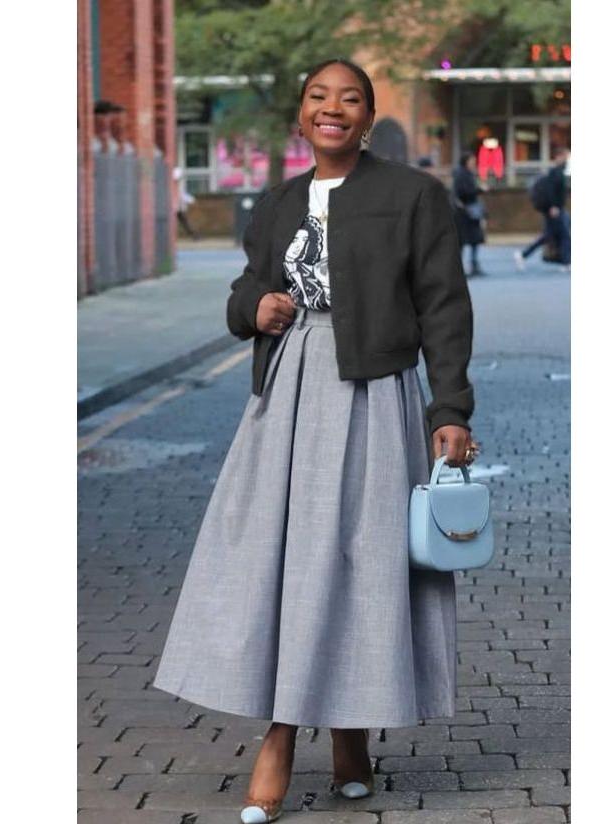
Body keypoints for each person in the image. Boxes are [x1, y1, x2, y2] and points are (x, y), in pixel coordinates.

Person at [153, 58, 477, 824]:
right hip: (290, 395)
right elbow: (247, 285)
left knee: (361, 560)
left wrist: (450, 409)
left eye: (350, 99)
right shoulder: (276, 202)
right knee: (286, 559)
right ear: (302, 116)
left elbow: (444, 306)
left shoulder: (414, 197)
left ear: (367, 119)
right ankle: (284, 734)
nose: (333, 108)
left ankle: (348, 734)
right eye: (319, 98)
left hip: (374, 392)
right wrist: (254, 308)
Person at [514, 146, 571, 271]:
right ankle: (566, 263)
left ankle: (523, 255)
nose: (567, 159)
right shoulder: (555, 172)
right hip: (555, 210)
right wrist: (553, 206)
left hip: (558, 209)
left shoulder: (560, 171)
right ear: (558, 157)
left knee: (551, 236)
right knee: (563, 235)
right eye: (565, 156)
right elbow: (551, 192)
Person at [452, 150, 488, 276]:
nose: (474, 163)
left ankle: (472, 265)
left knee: (474, 240)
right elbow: (463, 192)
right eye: (472, 161)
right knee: (463, 241)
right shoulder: (462, 174)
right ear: (466, 161)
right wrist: (480, 190)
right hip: (465, 213)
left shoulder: (467, 174)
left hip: (469, 212)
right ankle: (461, 268)